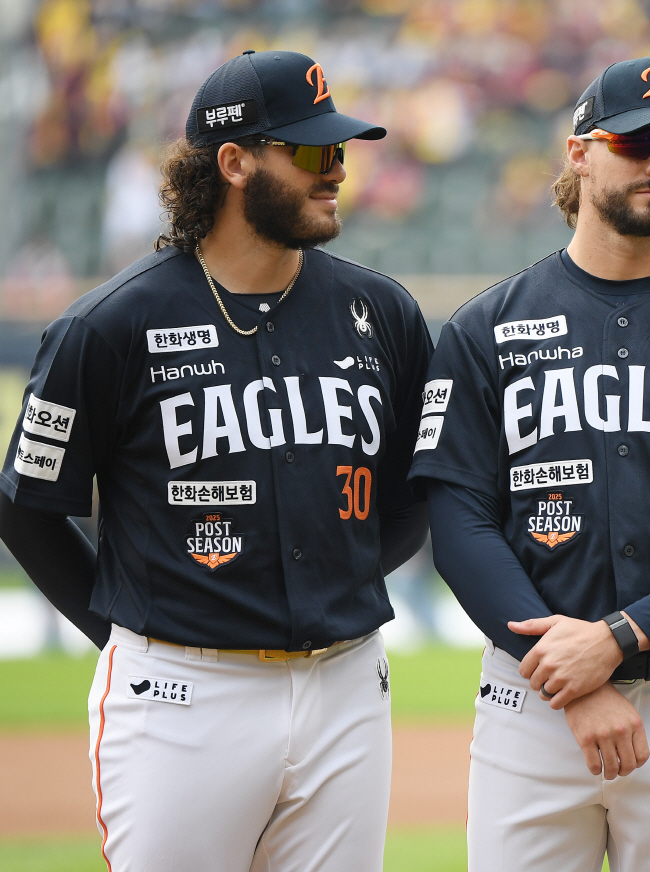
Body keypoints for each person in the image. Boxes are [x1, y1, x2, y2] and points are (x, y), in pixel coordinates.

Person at [0, 50, 432, 872]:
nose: (336, 169)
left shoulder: (381, 311)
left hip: (347, 686)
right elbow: (25, 505)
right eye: (311, 150)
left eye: (341, 149)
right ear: (234, 162)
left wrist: (337, 580)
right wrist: (121, 631)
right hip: (181, 695)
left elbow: (421, 489)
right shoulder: (110, 326)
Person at [408, 58, 650, 872]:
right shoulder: (485, 327)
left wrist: (619, 640)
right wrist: (576, 679)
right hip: (533, 701)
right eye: (634, 142)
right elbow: (458, 525)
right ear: (580, 154)